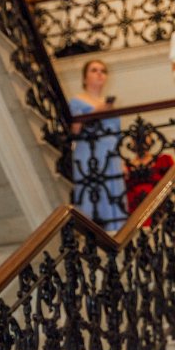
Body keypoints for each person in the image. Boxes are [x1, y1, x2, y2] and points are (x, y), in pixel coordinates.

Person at [70, 58, 126, 230]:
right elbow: (74, 130)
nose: (99, 74)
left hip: (111, 155)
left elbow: (117, 135)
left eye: (103, 71)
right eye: (94, 70)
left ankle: (116, 233)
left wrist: (122, 161)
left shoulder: (110, 106)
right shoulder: (76, 101)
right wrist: (96, 111)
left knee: (113, 192)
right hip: (89, 153)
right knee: (92, 192)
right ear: (84, 78)